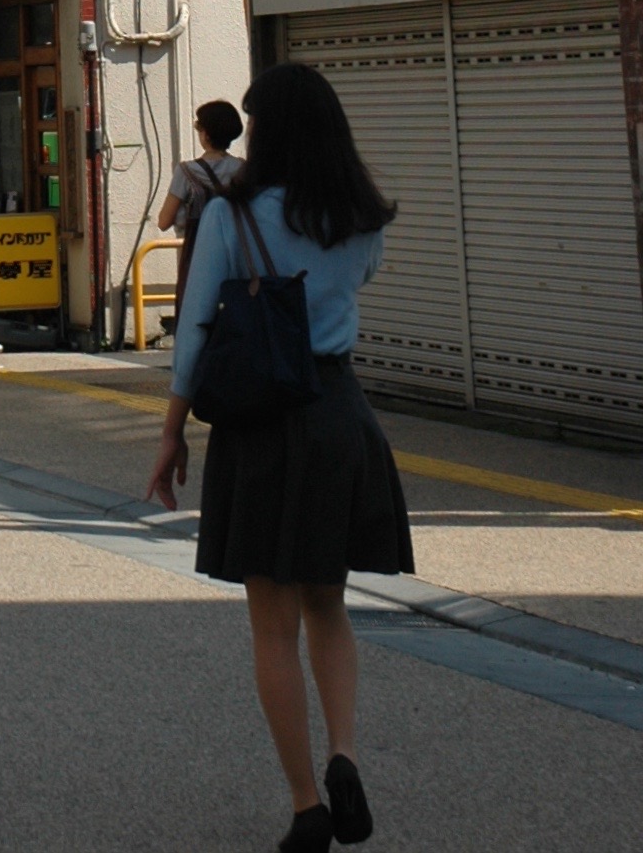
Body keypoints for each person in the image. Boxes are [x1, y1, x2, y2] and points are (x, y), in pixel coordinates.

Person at [145, 63, 410, 853]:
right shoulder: (360, 215)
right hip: (338, 413)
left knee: (273, 622)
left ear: (269, 131)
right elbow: (361, 277)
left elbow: (194, 330)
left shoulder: (233, 217)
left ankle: (305, 805)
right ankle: (345, 753)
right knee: (328, 602)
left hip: (260, 424)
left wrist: (170, 431)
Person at [158, 96, 244, 299]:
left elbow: (164, 221)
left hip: (194, 260)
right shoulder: (243, 169)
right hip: (234, 259)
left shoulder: (186, 172)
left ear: (205, 135)